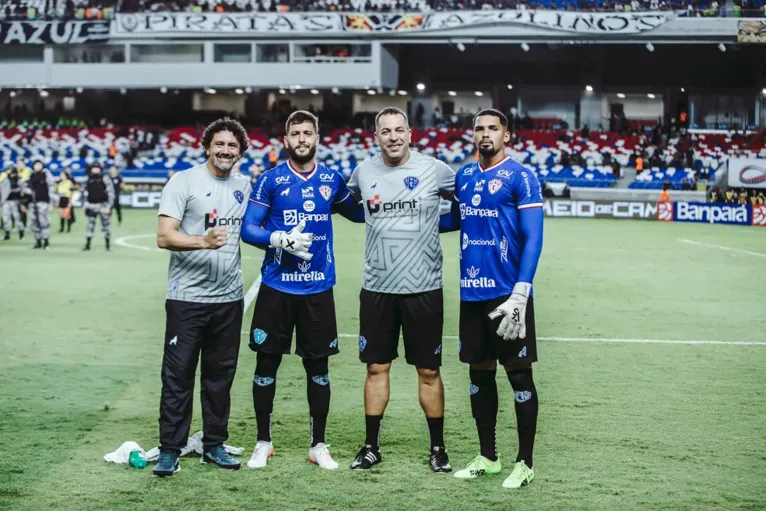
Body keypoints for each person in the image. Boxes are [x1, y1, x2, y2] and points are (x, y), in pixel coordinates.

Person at [240, 110, 363, 471]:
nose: (302, 139)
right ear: (286, 140)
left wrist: (383, 195)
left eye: (308, 132)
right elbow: (249, 229)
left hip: (317, 288)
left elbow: (358, 214)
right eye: (296, 133)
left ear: (317, 137)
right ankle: (263, 442)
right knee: (266, 364)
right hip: (277, 286)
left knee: (318, 368)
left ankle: (318, 445)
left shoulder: (331, 180)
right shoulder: (270, 180)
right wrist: (278, 238)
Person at [346, 106, 456, 473]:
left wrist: (433, 227)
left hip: (424, 287)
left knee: (428, 371)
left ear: (410, 133)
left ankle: (438, 448)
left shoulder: (434, 169)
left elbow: (469, 205)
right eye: (385, 131)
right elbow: (347, 206)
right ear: (375, 136)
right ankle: (370, 446)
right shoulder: (363, 171)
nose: (392, 137)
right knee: (376, 367)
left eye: (398, 130)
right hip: (377, 287)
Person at [445, 109, 544, 489]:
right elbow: (456, 219)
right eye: (479, 129)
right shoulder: (465, 175)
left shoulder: (521, 176)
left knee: (519, 375)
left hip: (508, 295)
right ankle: (488, 456)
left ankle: (525, 462)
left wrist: (522, 293)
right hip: (472, 292)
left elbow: (533, 237)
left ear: (507, 134)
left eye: (493, 128)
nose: (485, 134)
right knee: (478, 372)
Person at [152, 118, 252, 477]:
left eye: (232, 146)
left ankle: (214, 445)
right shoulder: (184, 181)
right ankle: (169, 449)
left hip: (228, 300)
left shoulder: (245, 185)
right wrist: (203, 241)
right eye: (219, 144)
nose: (225, 151)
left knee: (219, 377)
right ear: (207, 146)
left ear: (240, 151)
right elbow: (165, 236)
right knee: (177, 376)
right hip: (187, 300)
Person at [81, 164, 115, 251]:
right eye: (94, 168)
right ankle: (87, 245)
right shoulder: (87, 179)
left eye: (97, 168)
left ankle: (108, 245)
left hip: (103, 205)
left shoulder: (105, 178)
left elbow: (111, 193)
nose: (96, 170)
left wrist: (109, 206)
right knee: (90, 225)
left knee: (105, 226)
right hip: (91, 205)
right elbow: (82, 192)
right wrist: (84, 204)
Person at [25, 161, 56, 250]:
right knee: (34, 223)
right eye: (35, 165)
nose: (37, 166)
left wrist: (51, 204)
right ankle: (38, 242)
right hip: (33, 203)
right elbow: (26, 186)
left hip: (43, 202)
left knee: (44, 222)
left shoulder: (46, 175)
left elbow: (52, 189)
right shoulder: (31, 176)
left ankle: (46, 242)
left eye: (39, 165)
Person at [1, 166, 27, 240]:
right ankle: (7, 235)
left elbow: (23, 191)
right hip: (6, 201)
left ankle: (21, 235)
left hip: (16, 202)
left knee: (18, 218)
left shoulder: (19, 180)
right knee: (6, 218)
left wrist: (23, 202)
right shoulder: (6, 180)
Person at [56, 169, 75, 233]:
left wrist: (70, 201)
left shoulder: (69, 182)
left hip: (67, 199)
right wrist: (58, 201)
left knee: (67, 215)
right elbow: (58, 193)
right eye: (60, 175)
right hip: (61, 199)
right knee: (61, 215)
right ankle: (62, 228)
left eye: (62, 175)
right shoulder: (59, 183)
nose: (61, 176)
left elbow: (72, 192)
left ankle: (68, 228)